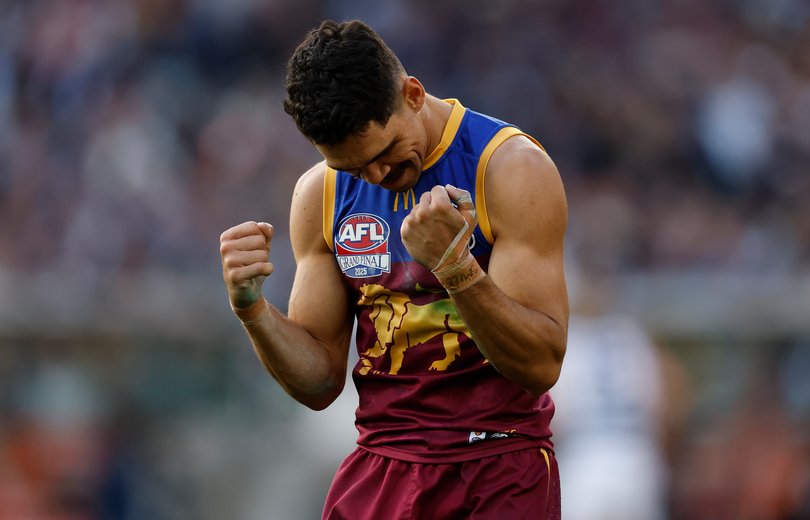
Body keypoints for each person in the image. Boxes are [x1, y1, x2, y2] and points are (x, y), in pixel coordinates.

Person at [219, 19, 568, 519]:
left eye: (383, 153)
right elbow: (319, 384)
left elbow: (540, 367)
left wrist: (455, 267)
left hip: (498, 462)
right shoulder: (320, 193)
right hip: (382, 466)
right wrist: (252, 310)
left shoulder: (510, 169)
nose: (377, 178)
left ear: (412, 93)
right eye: (354, 169)